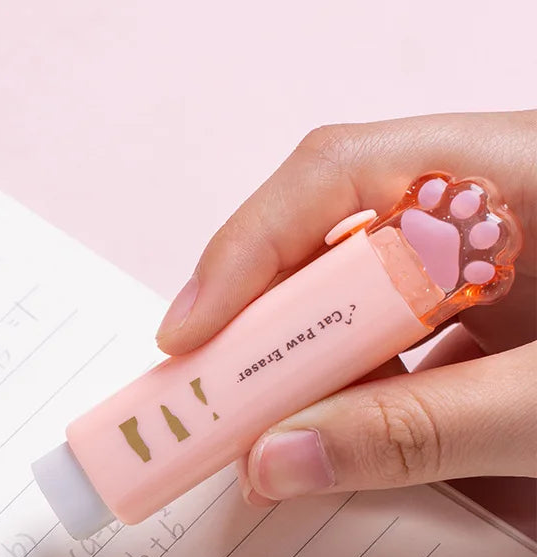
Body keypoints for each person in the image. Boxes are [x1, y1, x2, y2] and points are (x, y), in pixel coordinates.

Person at [154, 112, 536, 525]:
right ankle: (416, 266)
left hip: (388, 288)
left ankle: (410, 262)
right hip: (388, 288)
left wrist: (404, 438)